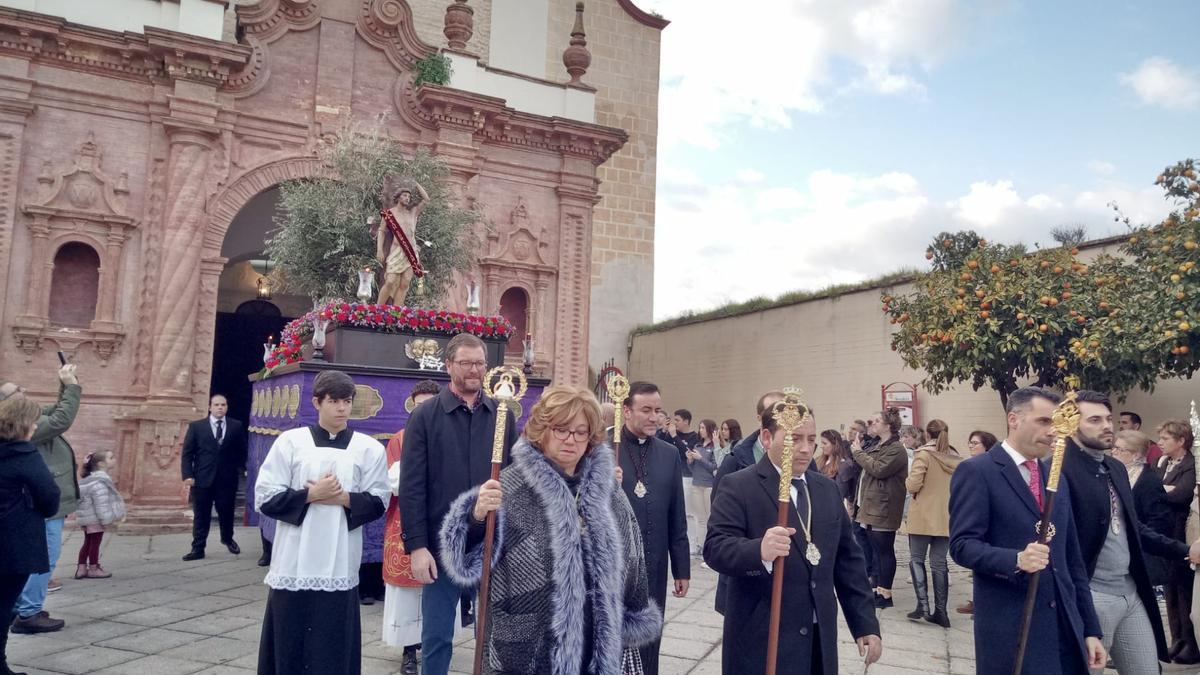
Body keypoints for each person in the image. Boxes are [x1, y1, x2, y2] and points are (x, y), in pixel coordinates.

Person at [440, 386, 662, 673]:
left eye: (580, 432)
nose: (571, 440)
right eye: (561, 429)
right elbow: (467, 561)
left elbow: (633, 555)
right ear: (541, 431)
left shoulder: (607, 491)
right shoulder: (510, 487)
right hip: (527, 644)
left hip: (595, 640)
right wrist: (477, 516)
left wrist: (632, 611)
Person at [704, 402, 882, 673]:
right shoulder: (739, 485)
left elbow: (848, 560)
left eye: (811, 439)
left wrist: (865, 623)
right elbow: (716, 547)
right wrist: (758, 550)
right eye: (794, 439)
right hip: (763, 637)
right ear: (766, 437)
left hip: (817, 635)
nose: (805, 448)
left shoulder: (825, 489)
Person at [949, 386, 1106, 675]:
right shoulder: (978, 471)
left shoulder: (1055, 475)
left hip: (1063, 623)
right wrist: (1015, 560)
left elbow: (1072, 560)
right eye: (1043, 421)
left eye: (1056, 424)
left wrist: (1089, 628)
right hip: (1013, 624)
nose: (1051, 431)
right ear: (1014, 419)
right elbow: (962, 545)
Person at [255, 370, 391, 675]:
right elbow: (265, 496)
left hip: (338, 561)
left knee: (332, 643)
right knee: (289, 638)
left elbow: (379, 500)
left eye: (347, 401)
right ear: (317, 402)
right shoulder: (291, 442)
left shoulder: (368, 448)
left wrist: (344, 498)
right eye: (334, 401)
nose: (342, 408)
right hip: (294, 561)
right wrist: (310, 494)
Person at [399, 334, 517, 675]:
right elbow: (411, 487)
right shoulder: (425, 417)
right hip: (441, 544)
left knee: (492, 633)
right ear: (449, 366)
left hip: (489, 542)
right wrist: (417, 547)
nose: (474, 370)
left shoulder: (501, 416)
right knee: (436, 635)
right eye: (466, 363)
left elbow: (513, 474)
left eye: (480, 363)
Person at [1060, 390, 1197, 672]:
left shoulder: (1114, 467)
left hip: (1131, 592)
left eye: (1109, 419)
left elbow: (1133, 529)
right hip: (1093, 596)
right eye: (1095, 420)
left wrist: (1185, 550)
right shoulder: (1059, 471)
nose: (1107, 426)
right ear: (1072, 424)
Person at [615, 381, 689, 675]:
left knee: (649, 641)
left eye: (658, 410)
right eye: (646, 410)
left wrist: (681, 568)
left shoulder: (669, 454)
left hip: (655, 565)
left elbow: (677, 514)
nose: (654, 417)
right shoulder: (605, 449)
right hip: (616, 565)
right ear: (627, 410)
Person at [6, 364, 79, 635]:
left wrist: (65, 383)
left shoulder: (24, 421)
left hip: (36, 504)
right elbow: (61, 419)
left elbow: (54, 410)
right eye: (16, 391)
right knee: (45, 557)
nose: (23, 391)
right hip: (43, 505)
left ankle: (20, 606)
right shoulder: (22, 428)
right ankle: (29, 612)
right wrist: (71, 387)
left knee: (40, 555)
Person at [382, 380, 441, 675]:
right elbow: (393, 482)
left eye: (431, 404)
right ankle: (408, 652)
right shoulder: (401, 439)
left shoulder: (448, 435)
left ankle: (436, 646)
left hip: (440, 522)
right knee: (407, 597)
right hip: (408, 522)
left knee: (438, 590)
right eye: (420, 406)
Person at [0, 395, 60, 675]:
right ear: (24, 424)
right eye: (34, 423)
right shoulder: (22, 452)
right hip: (13, 543)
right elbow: (49, 496)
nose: (36, 428)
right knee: (3, 605)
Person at [710, 391, 783, 618]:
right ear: (760, 418)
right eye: (770, 413)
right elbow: (719, 512)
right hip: (748, 564)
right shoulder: (737, 458)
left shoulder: (803, 463)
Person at [904, 419, 961, 627]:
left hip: (922, 514)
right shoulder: (955, 456)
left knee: (917, 559)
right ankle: (941, 612)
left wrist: (908, 482)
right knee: (939, 563)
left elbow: (913, 484)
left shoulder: (924, 454)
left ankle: (923, 606)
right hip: (946, 515)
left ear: (927, 434)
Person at [852, 408, 908, 608]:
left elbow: (878, 469)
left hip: (884, 506)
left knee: (884, 550)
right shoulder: (877, 444)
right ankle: (877, 588)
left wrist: (858, 452)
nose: (871, 424)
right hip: (870, 504)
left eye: (876, 421)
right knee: (874, 549)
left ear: (888, 425)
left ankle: (886, 594)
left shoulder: (896, 449)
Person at [181, 393, 246, 561]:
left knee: (226, 512)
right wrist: (187, 475)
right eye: (216, 405)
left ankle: (227, 538)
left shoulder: (236, 426)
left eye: (223, 405)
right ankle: (198, 548)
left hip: (227, 478)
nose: (220, 407)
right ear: (210, 407)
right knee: (201, 515)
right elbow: (187, 454)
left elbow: (242, 450)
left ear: (227, 407)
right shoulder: (197, 427)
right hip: (202, 478)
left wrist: (241, 468)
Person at [1156, 419, 1199, 663]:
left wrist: (1166, 491)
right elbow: (1151, 488)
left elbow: (1182, 494)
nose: (1160, 442)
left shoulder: (1192, 465)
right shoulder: (1161, 463)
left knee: (1184, 589)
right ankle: (1176, 639)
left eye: (1165, 438)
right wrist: (1166, 489)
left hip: (1181, 531)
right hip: (1165, 530)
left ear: (1181, 441)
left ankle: (1191, 644)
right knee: (1169, 586)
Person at [956, 429, 998, 616]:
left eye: (975, 443)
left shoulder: (993, 467)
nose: (971, 446)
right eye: (970, 443)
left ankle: (980, 603)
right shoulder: (970, 466)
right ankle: (976, 601)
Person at [376, 179, 429, 306]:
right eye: (405, 195)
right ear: (398, 197)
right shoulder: (389, 214)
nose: (407, 198)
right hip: (396, 251)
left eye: (409, 196)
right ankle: (377, 309)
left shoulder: (413, 213)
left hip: (411, 253)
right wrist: (379, 249)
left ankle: (397, 312)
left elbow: (426, 199)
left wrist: (416, 183)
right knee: (390, 281)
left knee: (405, 283)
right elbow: (382, 231)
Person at [73, 451, 126, 580]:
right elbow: (101, 504)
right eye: (111, 457)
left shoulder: (88, 480)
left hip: (87, 518)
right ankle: (93, 568)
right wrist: (106, 520)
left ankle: (81, 569)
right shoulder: (100, 482)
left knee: (87, 542)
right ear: (101, 464)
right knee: (95, 544)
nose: (114, 459)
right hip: (95, 519)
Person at [665, 409, 702, 555]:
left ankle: (693, 544)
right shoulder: (670, 435)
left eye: (678, 420)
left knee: (689, 513)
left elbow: (687, 452)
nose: (675, 423)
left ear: (686, 421)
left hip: (687, 476)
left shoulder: (694, 437)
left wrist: (675, 437)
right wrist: (666, 432)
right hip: (671, 475)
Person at [686, 419, 718, 564]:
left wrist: (700, 459)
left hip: (708, 485)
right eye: (700, 428)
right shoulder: (697, 445)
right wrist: (691, 461)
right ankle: (700, 545)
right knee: (700, 518)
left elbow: (714, 468)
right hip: (696, 484)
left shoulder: (714, 447)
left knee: (709, 516)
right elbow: (692, 470)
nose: (701, 430)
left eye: (703, 428)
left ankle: (708, 547)